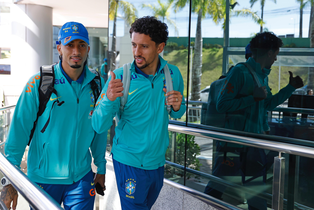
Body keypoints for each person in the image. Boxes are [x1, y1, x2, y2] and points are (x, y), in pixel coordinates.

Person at [1, 21, 107, 210]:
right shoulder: (39, 82)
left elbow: (99, 129)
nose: (76, 51)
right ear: (59, 48)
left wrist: (100, 166)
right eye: (70, 45)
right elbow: (19, 131)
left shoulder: (96, 84)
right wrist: (10, 180)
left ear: (88, 48)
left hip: (81, 178)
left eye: (81, 45)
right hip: (43, 179)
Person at [92, 16, 186, 210]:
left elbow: (177, 113)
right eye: (134, 45)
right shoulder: (119, 77)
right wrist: (109, 99)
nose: (136, 52)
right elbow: (98, 125)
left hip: (157, 162)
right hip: (128, 162)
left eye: (144, 46)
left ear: (160, 48)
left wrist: (178, 106)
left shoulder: (173, 74)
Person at [205, 32, 303, 210]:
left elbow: (268, 104)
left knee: (256, 193)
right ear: (268, 53)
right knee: (216, 188)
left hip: (253, 145)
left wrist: (290, 88)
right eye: (275, 54)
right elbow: (222, 105)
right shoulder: (239, 72)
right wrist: (252, 98)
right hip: (233, 146)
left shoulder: (262, 76)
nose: (275, 59)